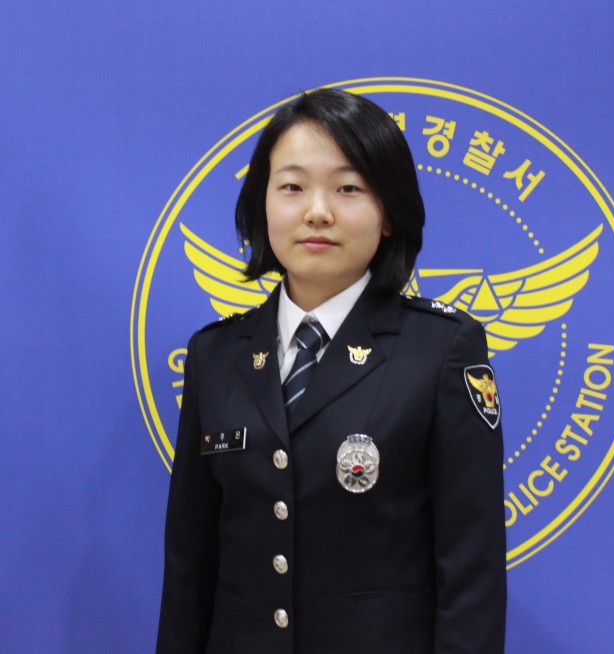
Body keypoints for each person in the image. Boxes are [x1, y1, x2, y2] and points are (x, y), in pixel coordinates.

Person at [157, 88, 506, 653]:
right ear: (261, 205)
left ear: (388, 212)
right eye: (292, 187)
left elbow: (471, 572)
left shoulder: (441, 350)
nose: (317, 211)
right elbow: (189, 568)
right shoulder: (215, 356)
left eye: (348, 188)